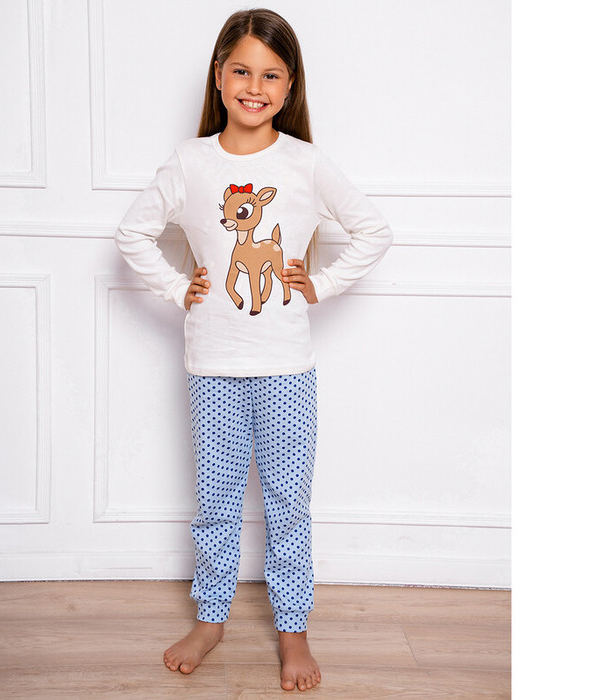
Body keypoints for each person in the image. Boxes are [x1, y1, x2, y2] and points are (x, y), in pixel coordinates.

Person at [114, 8, 393, 692]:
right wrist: (177, 288)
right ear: (218, 75)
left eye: (271, 75)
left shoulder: (303, 163)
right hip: (212, 368)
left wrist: (321, 285)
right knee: (216, 502)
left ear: (290, 85)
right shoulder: (191, 162)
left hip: (286, 370)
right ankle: (211, 619)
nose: (254, 87)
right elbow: (132, 234)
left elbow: (374, 230)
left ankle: (293, 630)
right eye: (242, 71)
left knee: (288, 505)